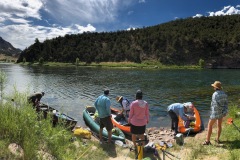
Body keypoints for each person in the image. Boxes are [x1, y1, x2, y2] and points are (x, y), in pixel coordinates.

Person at [203, 81, 228, 145]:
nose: (213, 88)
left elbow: (215, 105)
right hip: (222, 112)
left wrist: (213, 112)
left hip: (215, 112)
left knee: (210, 125)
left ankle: (207, 141)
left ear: (215, 87)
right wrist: (224, 111)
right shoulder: (224, 94)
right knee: (219, 125)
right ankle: (217, 139)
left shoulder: (215, 94)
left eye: (213, 87)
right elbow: (226, 104)